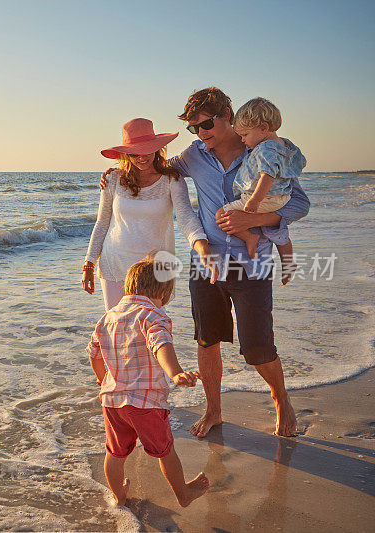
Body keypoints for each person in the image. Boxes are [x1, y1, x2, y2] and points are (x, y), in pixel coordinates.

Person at [169, 87, 310, 437]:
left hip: (253, 264)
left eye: (206, 125)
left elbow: (300, 204)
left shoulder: (263, 152)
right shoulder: (194, 155)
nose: (201, 134)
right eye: (194, 128)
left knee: (258, 348)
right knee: (207, 339)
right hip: (206, 266)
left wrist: (255, 221)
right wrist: (118, 174)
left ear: (228, 115)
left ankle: (281, 399)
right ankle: (213, 410)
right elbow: (159, 172)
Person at [87, 253, 209, 507]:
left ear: (128, 286)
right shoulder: (152, 315)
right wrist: (175, 372)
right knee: (165, 451)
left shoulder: (107, 318)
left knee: (115, 452)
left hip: (111, 401)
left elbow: (94, 353)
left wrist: (102, 380)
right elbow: (160, 344)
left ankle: (118, 495)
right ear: (163, 293)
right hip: (145, 403)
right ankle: (183, 494)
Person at [82, 118, 215, 313]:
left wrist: (202, 247)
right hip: (115, 264)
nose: (142, 157)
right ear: (126, 154)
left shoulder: (172, 179)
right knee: (118, 332)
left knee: (152, 331)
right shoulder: (113, 179)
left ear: (157, 149)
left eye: (147, 151)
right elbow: (102, 223)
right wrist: (89, 264)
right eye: (135, 153)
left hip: (154, 269)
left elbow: (186, 217)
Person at [216, 97, 307, 285]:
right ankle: (288, 262)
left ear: (264, 128)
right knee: (275, 231)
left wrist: (254, 200)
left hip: (262, 197)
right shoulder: (286, 146)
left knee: (221, 214)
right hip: (282, 196)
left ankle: (250, 237)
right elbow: (300, 164)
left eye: (245, 135)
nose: (242, 140)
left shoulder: (265, 149)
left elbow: (266, 176)